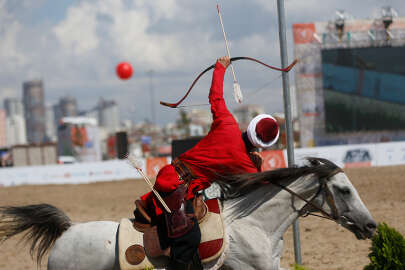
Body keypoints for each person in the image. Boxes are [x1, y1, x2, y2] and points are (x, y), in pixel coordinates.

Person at [138, 56, 280, 269]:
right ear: (262, 145)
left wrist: (220, 68)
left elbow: (216, 97)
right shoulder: (246, 165)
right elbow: (259, 189)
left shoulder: (227, 123)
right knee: (190, 239)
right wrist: (258, 167)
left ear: (251, 125)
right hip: (175, 187)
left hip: (173, 178)